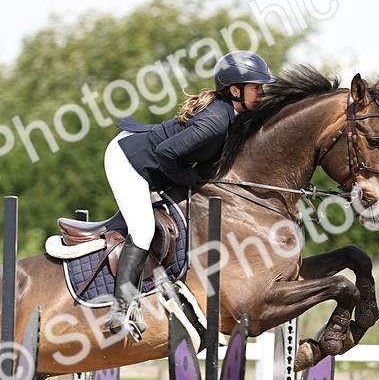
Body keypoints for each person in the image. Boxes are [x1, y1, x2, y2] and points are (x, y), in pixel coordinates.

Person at [101, 50, 277, 337]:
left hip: (152, 161)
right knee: (143, 230)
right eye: (256, 87)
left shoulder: (232, 115)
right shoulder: (216, 121)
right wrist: (188, 179)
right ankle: (120, 309)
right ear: (235, 90)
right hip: (128, 160)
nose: (262, 93)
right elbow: (165, 152)